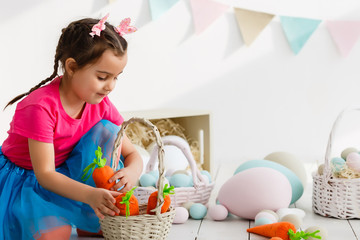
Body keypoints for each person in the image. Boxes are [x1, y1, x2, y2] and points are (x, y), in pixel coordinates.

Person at [0, 14, 143, 240]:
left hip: (65, 171)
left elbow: (131, 152)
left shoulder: (100, 103)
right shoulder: (40, 107)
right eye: (103, 76)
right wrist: (90, 195)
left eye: (116, 77)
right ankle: (80, 210)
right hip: (28, 180)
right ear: (72, 67)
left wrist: (133, 171)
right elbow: (45, 175)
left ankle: (88, 218)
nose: (110, 86)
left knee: (108, 131)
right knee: (55, 234)